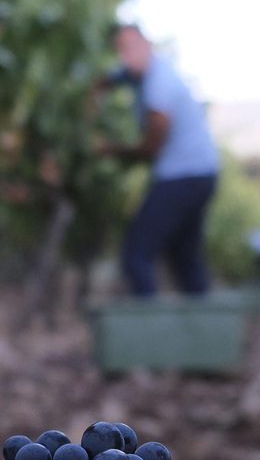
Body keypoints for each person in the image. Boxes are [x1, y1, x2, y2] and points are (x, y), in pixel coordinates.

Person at [91, 23, 220, 297]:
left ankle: (147, 331)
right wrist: (96, 89)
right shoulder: (141, 71)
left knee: (137, 252)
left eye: (130, 48)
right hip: (202, 171)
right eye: (120, 51)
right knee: (185, 254)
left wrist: (110, 148)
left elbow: (150, 148)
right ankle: (202, 330)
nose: (125, 57)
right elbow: (113, 77)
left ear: (147, 45)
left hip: (184, 176)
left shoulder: (159, 85)